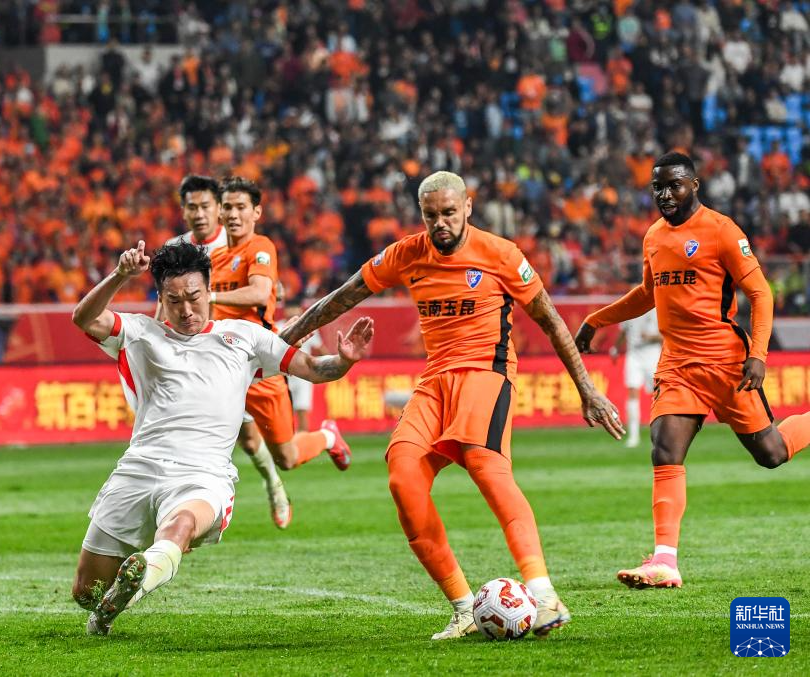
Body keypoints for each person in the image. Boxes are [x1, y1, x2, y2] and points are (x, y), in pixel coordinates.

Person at [280, 171, 624, 640]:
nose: (440, 222)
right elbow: (342, 297)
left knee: (485, 464)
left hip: (487, 372)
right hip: (435, 380)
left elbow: (550, 320)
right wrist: (281, 340)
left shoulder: (501, 254)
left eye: (448, 212)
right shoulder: (406, 253)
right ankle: (464, 608)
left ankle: (544, 595)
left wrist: (586, 388)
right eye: (430, 215)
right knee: (403, 477)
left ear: (467, 208)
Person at [70, 240, 374, 635]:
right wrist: (119, 275)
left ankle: (140, 579)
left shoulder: (245, 337)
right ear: (160, 299)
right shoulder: (139, 333)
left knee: (180, 525)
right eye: (174, 300)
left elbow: (314, 368)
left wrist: (344, 361)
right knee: (86, 592)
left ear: (209, 289)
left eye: (194, 297)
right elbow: (83, 318)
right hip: (139, 470)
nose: (186, 309)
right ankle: (112, 600)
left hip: (203, 475)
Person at [575, 151, 810, 590]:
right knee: (664, 449)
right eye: (658, 187)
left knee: (772, 453)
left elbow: (761, 293)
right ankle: (665, 561)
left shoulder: (722, 231)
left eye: (674, 185)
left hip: (726, 364)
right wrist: (596, 320)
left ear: (694, 186)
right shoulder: (653, 237)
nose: (665, 194)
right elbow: (648, 293)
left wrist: (758, 355)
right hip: (678, 366)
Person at [164, 175, 291, 530]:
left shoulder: (235, 240)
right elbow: (166, 299)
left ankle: (272, 482)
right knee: (207, 434)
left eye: (206, 206)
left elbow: (264, 286)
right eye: (192, 207)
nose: (200, 214)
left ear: (217, 209)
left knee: (250, 440)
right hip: (203, 357)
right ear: (183, 211)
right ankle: (187, 512)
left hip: (243, 353)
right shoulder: (177, 248)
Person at [209, 176, 351, 476]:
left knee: (286, 457)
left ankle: (327, 436)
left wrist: (209, 296)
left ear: (256, 212)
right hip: (223, 364)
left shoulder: (260, 247)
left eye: (241, 207)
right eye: (227, 207)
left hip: (260, 364)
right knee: (219, 439)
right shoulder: (214, 258)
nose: (233, 214)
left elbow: (260, 292)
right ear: (219, 212)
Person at [613, 308, 661, 448]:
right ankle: (633, 436)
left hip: (653, 356)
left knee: (658, 395)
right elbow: (623, 331)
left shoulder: (657, 310)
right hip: (634, 356)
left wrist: (651, 337)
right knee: (632, 392)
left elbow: (667, 336)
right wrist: (615, 349)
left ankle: (659, 434)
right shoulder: (629, 309)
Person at [284, 302, 328, 432]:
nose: (292, 310)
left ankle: (302, 441)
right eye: (290, 307)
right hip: (284, 376)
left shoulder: (308, 327)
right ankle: (287, 440)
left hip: (303, 377)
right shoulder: (279, 326)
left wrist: (331, 365)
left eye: (295, 307)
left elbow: (321, 349)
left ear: (300, 309)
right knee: (284, 413)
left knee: (302, 411)